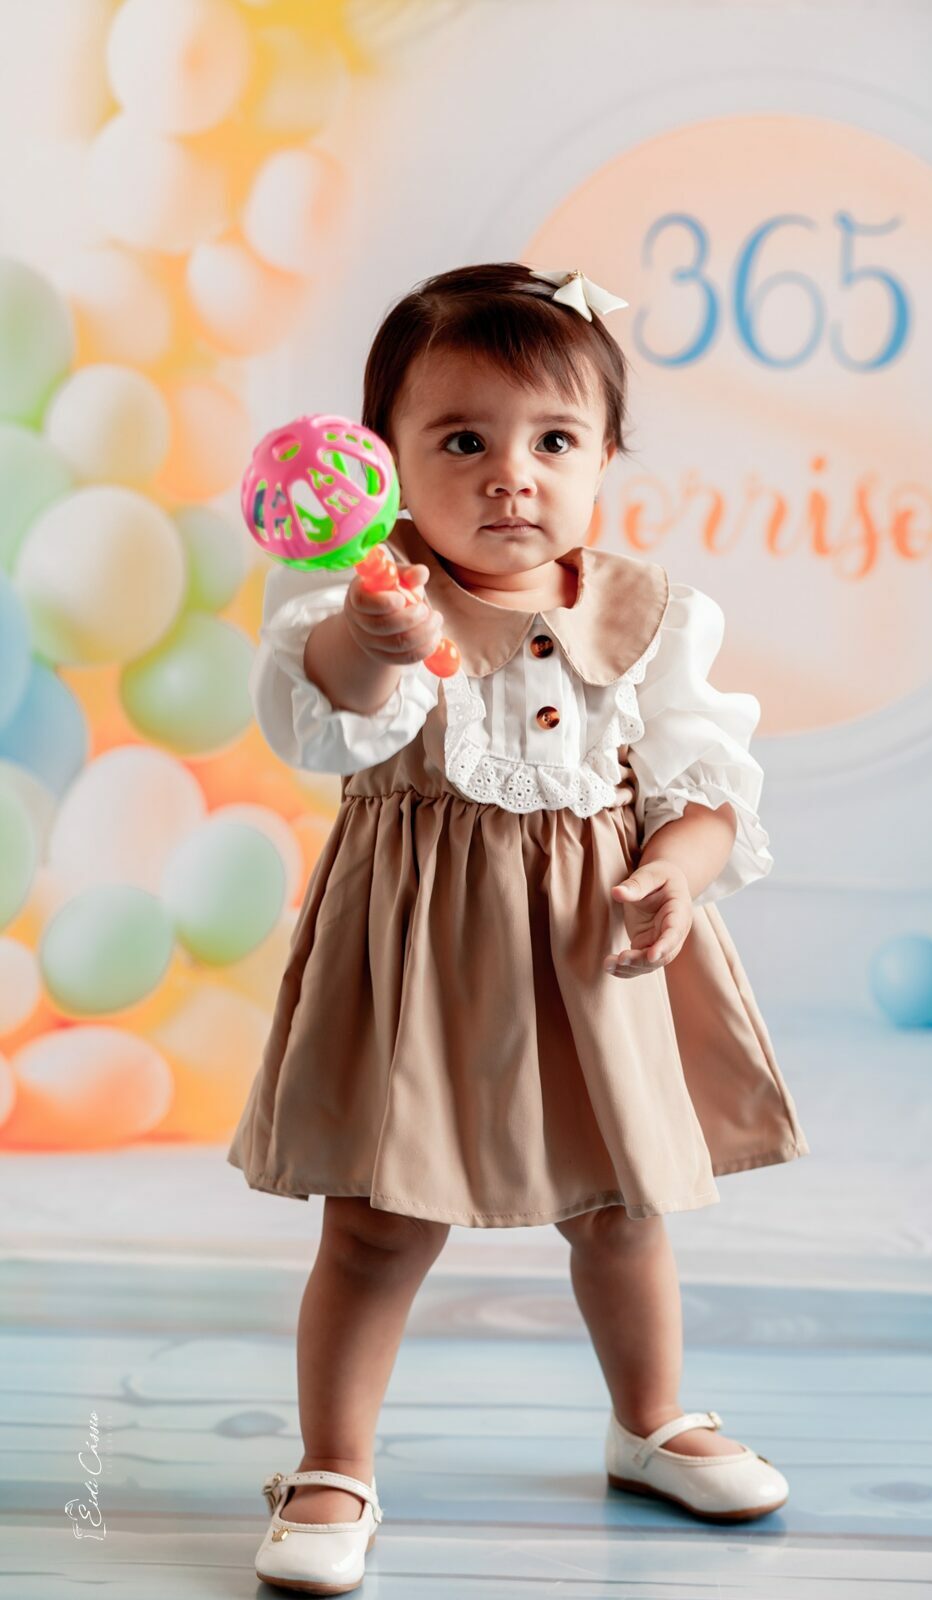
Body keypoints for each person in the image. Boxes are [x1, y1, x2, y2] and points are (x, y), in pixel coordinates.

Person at [228, 261, 811, 1594]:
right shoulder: (356, 592)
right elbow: (322, 720)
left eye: (554, 441)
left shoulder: (647, 613)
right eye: (462, 442)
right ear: (381, 460)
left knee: (621, 1206)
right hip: (415, 953)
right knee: (377, 1220)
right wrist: (376, 638)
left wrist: (681, 866)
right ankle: (332, 1462)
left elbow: (701, 776)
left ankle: (650, 1419)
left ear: (605, 457)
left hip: (593, 952)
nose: (511, 478)